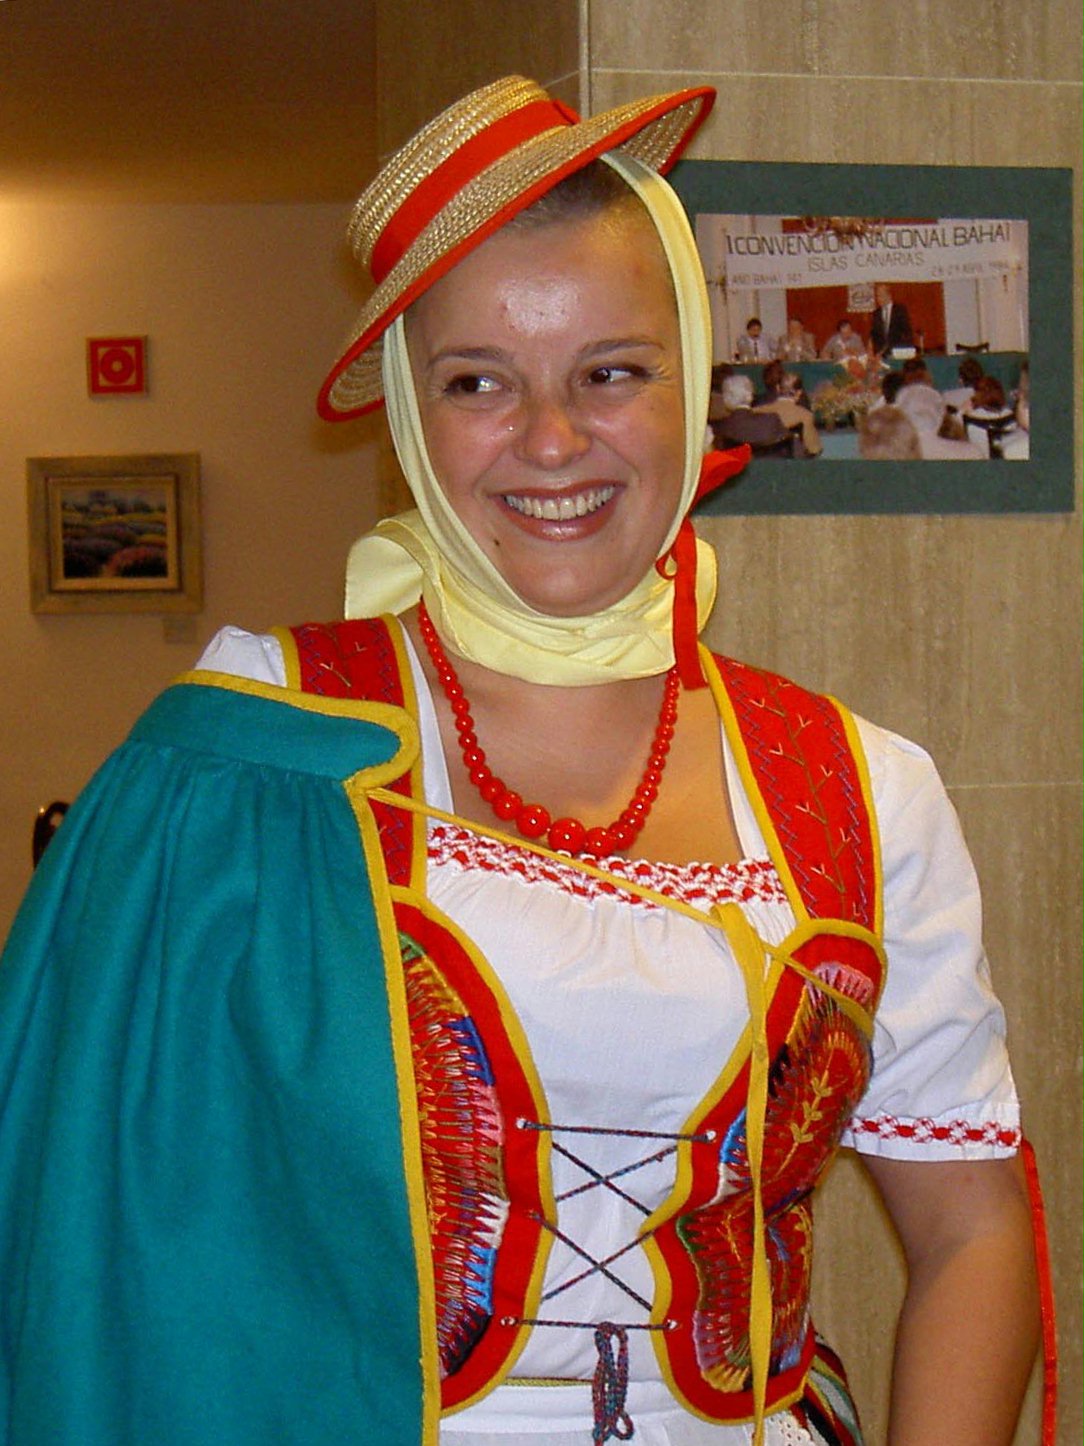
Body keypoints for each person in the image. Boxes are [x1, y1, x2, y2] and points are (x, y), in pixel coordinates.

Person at [0, 75, 1041, 1446]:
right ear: (409, 416)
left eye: (612, 370)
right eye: (478, 381)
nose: (552, 440)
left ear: (693, 379)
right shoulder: (258, 745)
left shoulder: (862, 787)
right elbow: (86, 1213)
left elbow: (971, 1228)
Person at [869, 283, 914, 356]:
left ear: (889, 295)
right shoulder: (876, 314)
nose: (878, 299)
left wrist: (904, 350)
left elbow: (907, 332)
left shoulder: (899, 310)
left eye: (881, 295)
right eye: (877, 296)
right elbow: (874, 335)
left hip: (898, 352)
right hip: (881, 354)